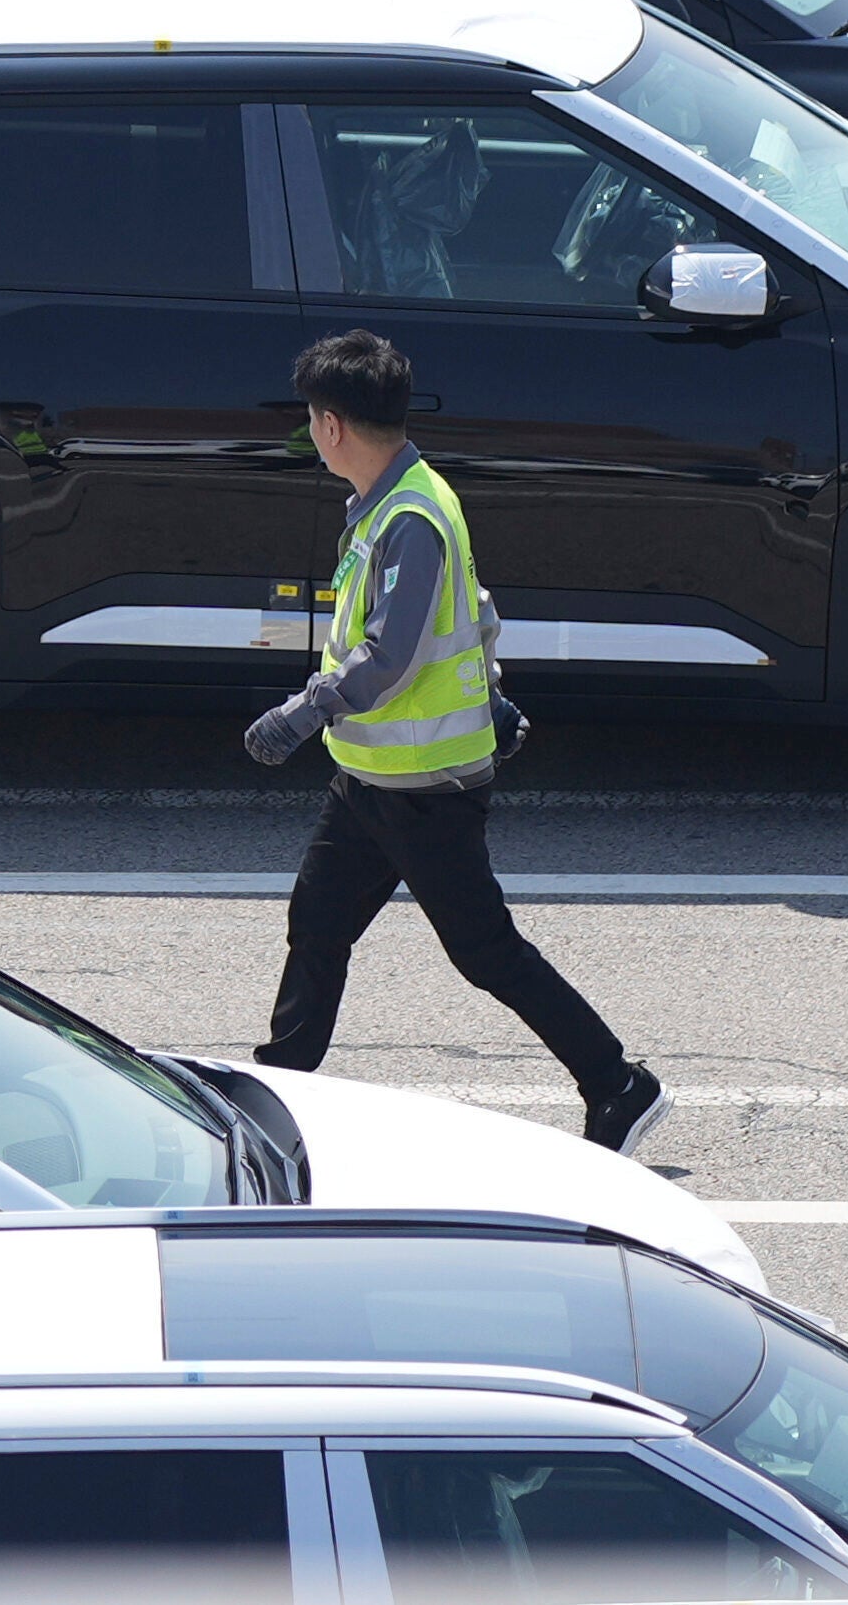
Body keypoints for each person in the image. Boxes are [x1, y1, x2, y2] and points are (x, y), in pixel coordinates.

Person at [241, 325, 663, 1154]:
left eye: (309, 422)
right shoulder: (397, 498)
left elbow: (390, 656)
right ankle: (277, 1094)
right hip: (372, 781)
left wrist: (301, 712)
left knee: (485, 952)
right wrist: (496, 698)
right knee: (317, 925)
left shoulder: (411, 518)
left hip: (426, 788)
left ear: (332, 426)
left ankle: (617, 1083)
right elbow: (474, 615)